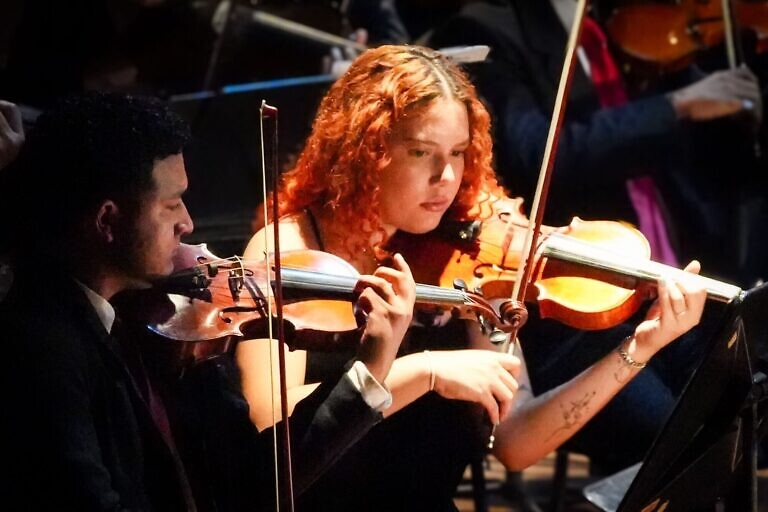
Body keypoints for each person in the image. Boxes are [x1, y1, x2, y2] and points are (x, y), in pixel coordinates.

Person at [239, 44, 706, 510]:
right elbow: (270, 422)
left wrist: (639, 349)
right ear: (364, 152)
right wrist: (425, 372)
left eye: (459, 153)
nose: (446, 176)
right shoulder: (289, 251)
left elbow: (517, 440)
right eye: (421, 152)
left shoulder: (467, 262)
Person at [0, 91, 416, 510]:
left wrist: (367, 370)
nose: (188, 223)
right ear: (107, 220)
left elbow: (253, 483)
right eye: (170, 204)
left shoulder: (163, 328)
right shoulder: (46, 349)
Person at [424, 0, 765, 473]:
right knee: (666, 438)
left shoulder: (620, 30)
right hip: (568, 299)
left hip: (655, 271)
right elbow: (534, 151)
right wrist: (676, 106)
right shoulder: (489, 30)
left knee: (742, 408)